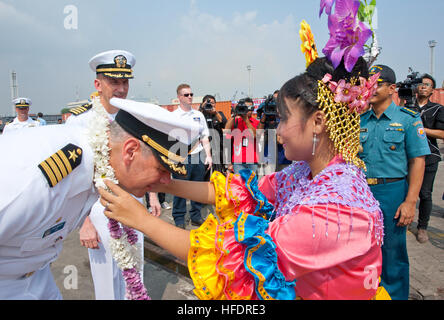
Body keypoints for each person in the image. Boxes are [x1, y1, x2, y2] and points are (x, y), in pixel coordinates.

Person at [99, 48, 391, 299]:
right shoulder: (308, 173)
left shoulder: (335, 210)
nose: (278, 131)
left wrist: (139, 220)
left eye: (284, 119)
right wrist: (167, 183)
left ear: (317, 122)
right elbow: (239, 193)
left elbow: (228, 255)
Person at [0, 97, 200, 300]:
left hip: (37, 277)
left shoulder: (98, 166)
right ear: (130, 151)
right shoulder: (34, 183)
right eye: (162, 169)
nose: (167, 182)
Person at [65, 50, 161, 300]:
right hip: (97, 209)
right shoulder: (79, 124)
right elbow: (70, 182)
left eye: (125, 82)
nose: (121, 88)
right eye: (114, 81)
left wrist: (152, 197)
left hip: (134, 204)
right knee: (107, 285)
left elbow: (148, 164)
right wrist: (83, 223)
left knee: (134, 274)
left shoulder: (137, 120)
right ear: (98, 84)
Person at [359, 64, 431, 300]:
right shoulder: (360, 120)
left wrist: (410, 201)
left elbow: (417, 161)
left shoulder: (408, 119)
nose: (369, 87)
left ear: (391, 88)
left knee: (392, 250)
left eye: (376, 83)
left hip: (391, 191)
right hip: (361, 192)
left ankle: (395, 295)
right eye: (366, 83)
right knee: (362, 250)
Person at [171, 84, 213, 229]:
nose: (190, 97)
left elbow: (205, 136)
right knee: (180, 189)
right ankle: (179, 218)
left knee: (197, 188)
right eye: (186, 95)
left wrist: (208, 156)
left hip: (198, 155)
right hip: (181, 156)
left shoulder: (198, 115)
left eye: (191, 94)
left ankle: (196, 216)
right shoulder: (173, 116)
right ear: (179, 97)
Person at [412, 74, 444, 243]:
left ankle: (422, 227)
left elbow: (441, 133)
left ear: (432, 90)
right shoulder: (407, 108)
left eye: (427, 85)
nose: (423, 86)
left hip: (429, 155)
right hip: (408, 156)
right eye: (421, 84)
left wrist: (421, 129)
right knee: (404, 190)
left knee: (425, 193)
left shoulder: (437, 109)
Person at [225, 97, 260, 174]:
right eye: (245, 107)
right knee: (239, 184)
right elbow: (226, 131)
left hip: (252, 160)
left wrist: (246, 119)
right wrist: (235, 113)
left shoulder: (256, 122)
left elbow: (255, 135)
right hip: (238, 160)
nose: (247, 110)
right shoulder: (235, 121)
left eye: (249, 108)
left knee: (251, 185)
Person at [199, 94, 227, 176]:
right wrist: (202, 108)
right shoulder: (200, 114)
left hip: (218, 147)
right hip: (205, 148)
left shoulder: (219, 113)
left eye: (212, 102)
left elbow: (225, 124)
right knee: (205, 171)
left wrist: (215, 113)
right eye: (208, 102)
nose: (210, 104)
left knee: (219, 172)